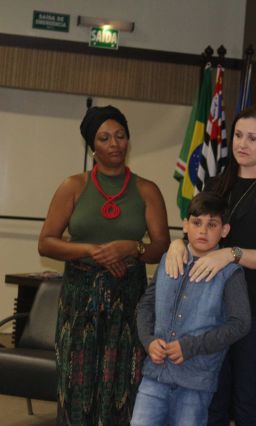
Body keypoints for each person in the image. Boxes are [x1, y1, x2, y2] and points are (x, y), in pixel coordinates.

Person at [165, 106, 256, 426]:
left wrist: (231, 254)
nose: (242, 144)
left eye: (252, 138)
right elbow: (196, 230)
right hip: (211, 304)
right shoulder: (215, 184)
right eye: (238, 135)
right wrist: (177, 243)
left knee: (247, 398)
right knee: (212, 394)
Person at [38, 105, 170, 425]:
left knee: (123, 380)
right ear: (92, 145)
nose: (114, 144)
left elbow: (161, 247)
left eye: (120, 136)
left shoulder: (147, 190)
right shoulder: (73, 186)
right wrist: (91, 251)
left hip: (128, 298)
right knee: (76, 382)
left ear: (128, 140)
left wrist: (132, 248)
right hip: (79, 298)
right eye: (104, 138)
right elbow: (46, 242)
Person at [131, 192, 250, 426]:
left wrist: (191, 347)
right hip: (155, 374)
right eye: (197, 223)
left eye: (212, 225)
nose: (203, 231)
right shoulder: (169, 259)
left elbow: (241, 323)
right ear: (185, 225)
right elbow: (146, 305)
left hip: (196, 381)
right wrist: (148, 341)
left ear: (224, 230)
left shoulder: (230, 273)